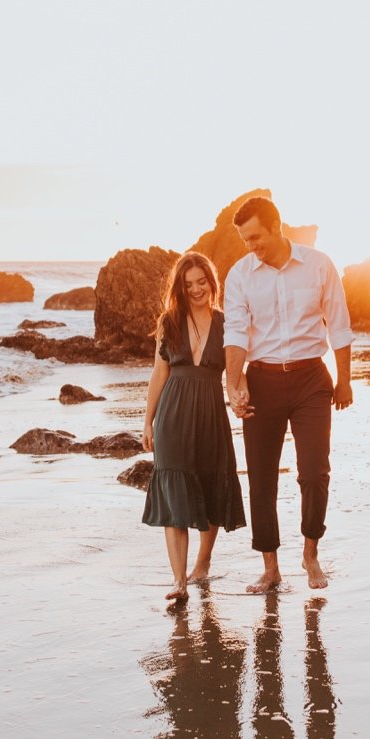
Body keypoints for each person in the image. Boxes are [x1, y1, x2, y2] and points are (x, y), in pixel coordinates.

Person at [223, 196, 353, 593]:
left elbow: (340, 325)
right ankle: (270, 567)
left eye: (256, 237)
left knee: (314, 472)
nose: (252, 246)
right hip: (262, 380)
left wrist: (344, 379)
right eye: (245, 240)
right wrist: (234, 382)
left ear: (277, 226)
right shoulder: (240, 275)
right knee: (261, 480)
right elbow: (235, 332)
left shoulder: (319, 265)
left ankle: (311, 553)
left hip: (311, 378)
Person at [142, 251, 248, 602]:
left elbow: (238, 368)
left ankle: (202, 561)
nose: (197, 289)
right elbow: (160, 373)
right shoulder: (169, 321)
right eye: (189, 285)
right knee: (174, 496)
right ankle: (179, 581)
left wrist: (239, 395)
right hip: (172, 415)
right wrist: (148, 420)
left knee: (212, 485)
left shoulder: (227, 322)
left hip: (210, 415)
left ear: (212, 282)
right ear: (180, 288)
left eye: (202, 281)